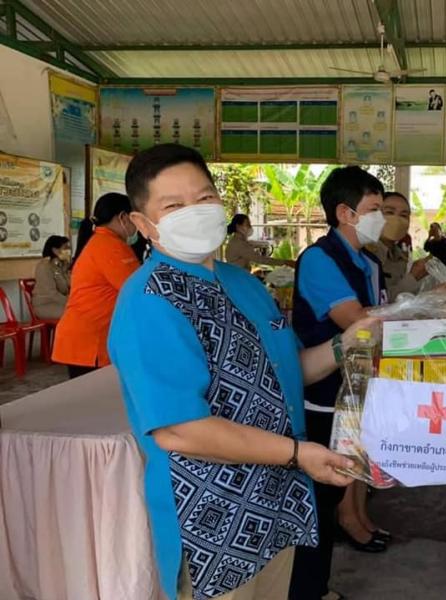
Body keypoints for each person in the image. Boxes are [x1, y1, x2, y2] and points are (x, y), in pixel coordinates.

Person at [110, 143, 375, 600]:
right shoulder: (149, 301)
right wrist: (299, 453)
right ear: (143, 223)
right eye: (173, 206)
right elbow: (180, 430)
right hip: (211, 520)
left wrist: (348, 341)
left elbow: (288, 373)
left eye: (204, 197)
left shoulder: (243, 284)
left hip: (276, 503)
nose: (194, 212)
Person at [291, 166, 390, 600]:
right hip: (322, 394)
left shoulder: (368, 260)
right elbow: (357, 322)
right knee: (316, 501)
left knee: (338, 487)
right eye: (375, 209)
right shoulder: (319, 259)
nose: (381, 218)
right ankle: (310, 589)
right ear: (345, 213)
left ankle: (317, 586)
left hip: (355, 388)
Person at [52, 193, 140, 379]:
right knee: (94, 396)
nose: (138, 225)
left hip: (86, 337)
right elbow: (139, 290)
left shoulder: (102, 242)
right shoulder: (111, 247)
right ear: (123, 217)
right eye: (136, 218)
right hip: (89, 340)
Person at [369, 191, 429, 301]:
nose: (397, 220)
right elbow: (377, 303)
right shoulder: (366, 254)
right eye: (389, 212)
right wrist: (413, 277)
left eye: (404, 215)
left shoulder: (400, 256)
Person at [225, 213, 294, 271]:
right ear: (238, 227)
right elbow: (260, 259)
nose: (250, 227)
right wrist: (285, 262)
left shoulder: (237, 241)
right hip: (239, 277)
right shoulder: (239, 244)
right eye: (247, 225)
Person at [32, 235, 71, 319]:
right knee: (75, 314)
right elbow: (51, 294)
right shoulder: (44, 266)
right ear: (55, 250)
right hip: (45, 305)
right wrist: (71, 302)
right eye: (65, 248)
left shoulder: (62, 266)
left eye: (69, 248)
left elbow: (69, 285)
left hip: (60, 302)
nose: (69, 251)